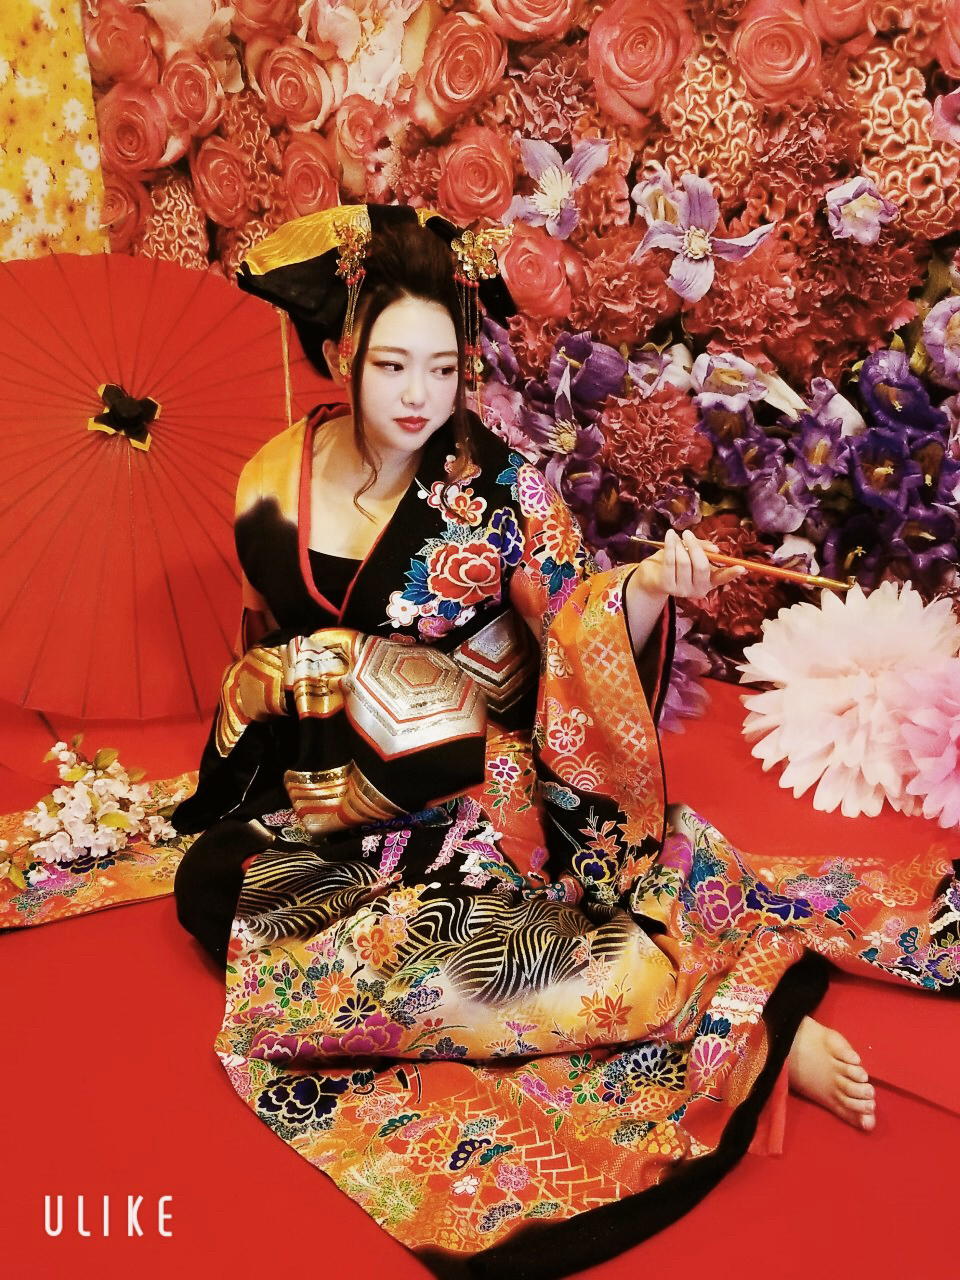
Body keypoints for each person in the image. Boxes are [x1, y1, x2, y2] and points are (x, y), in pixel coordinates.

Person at [173, 205, 953, 1279]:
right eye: (392, 364)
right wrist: (273, 700)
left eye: (443, 368)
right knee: (215, 892)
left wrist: (645, 589)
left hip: (473, 804)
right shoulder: (273, 474)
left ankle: (738, 1023)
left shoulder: (504, 490)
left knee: (527, 957)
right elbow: (266, 632)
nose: (417, 395)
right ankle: (626, 1000)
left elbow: (577, 621)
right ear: (343, 352)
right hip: (328, 797)